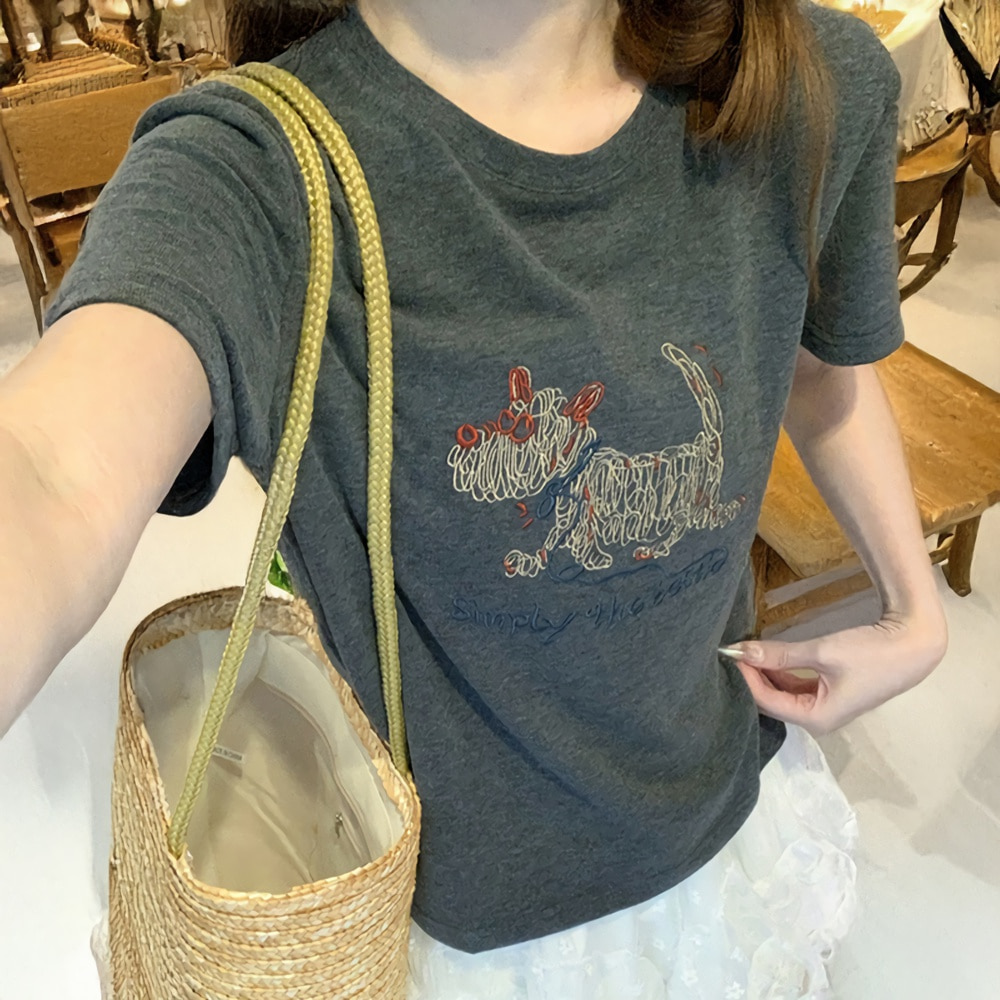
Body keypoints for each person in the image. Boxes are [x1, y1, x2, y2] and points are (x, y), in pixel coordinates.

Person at [0, 0, 948, 995]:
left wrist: (912, 606)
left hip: (725, 811)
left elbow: (816, 373)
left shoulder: (802, 81)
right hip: (467, 923)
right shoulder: (254, 171)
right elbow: (49, 469)